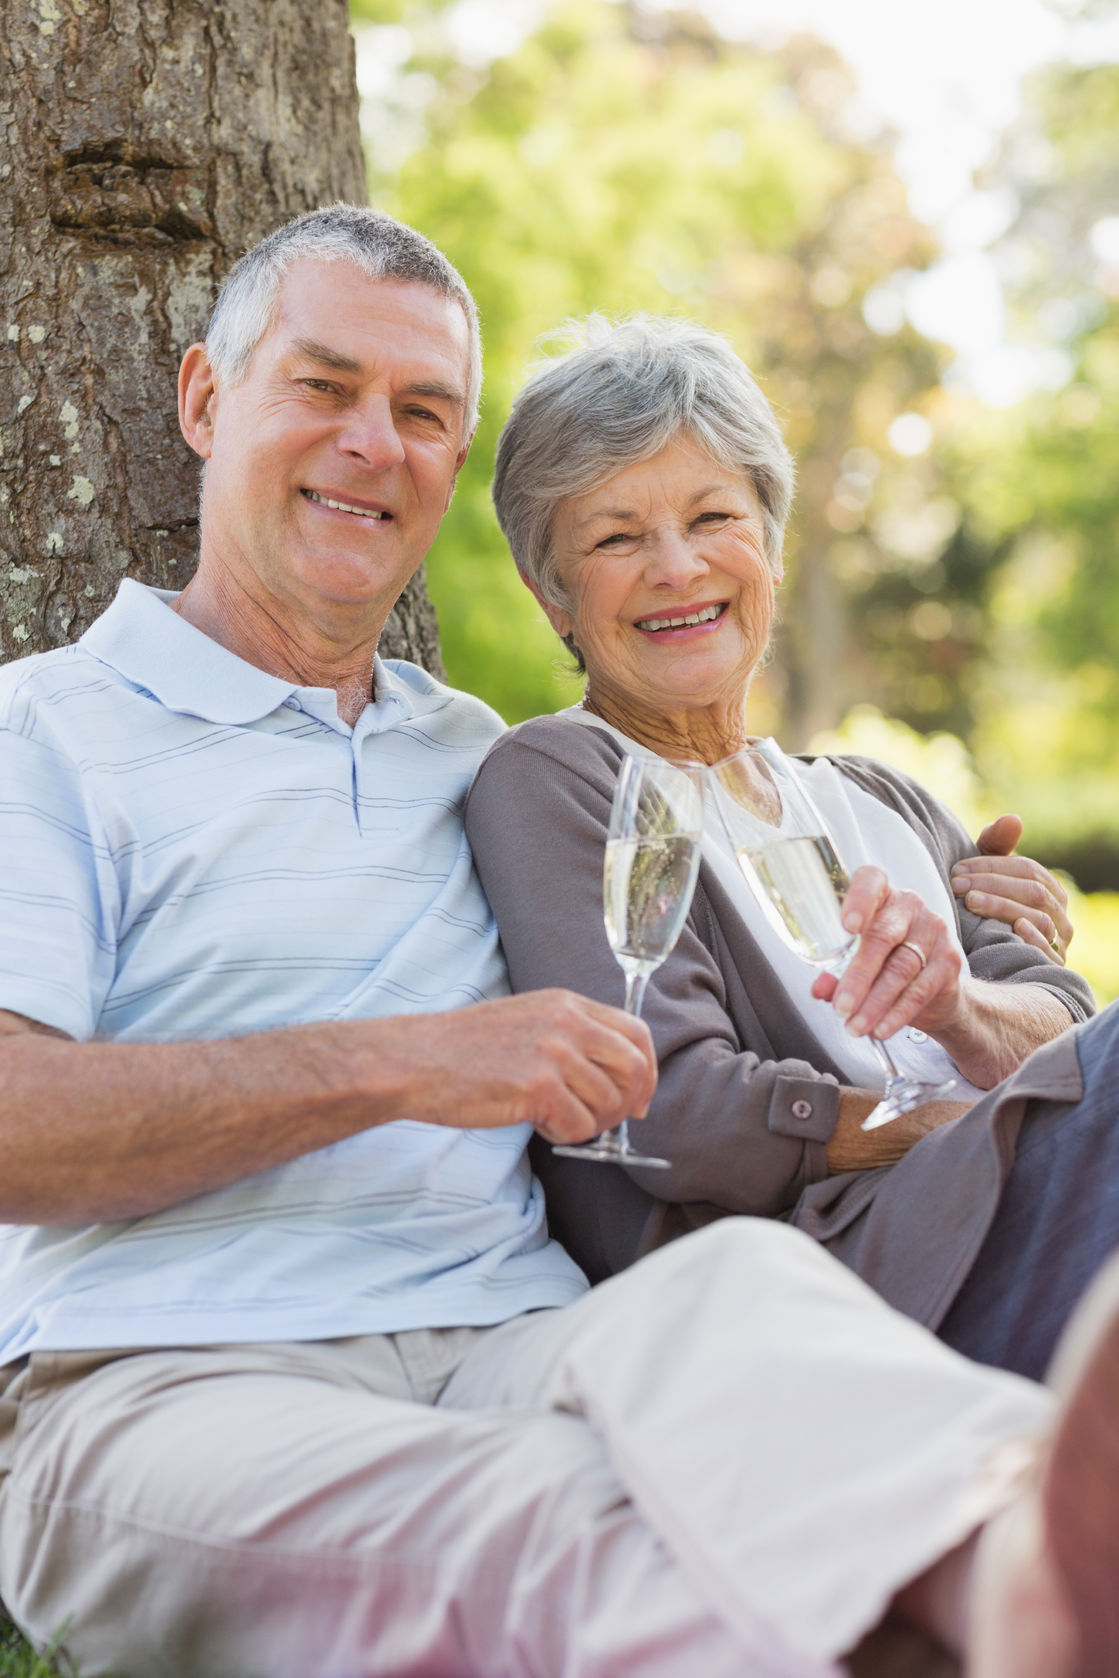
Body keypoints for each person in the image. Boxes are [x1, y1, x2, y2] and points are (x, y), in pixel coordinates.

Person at [0, 207, 1116, 1678]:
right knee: (568, 1522)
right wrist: (403, 1064)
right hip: (169, 1373)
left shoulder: (460, 747)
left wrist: (970, 930)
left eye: (421, 415)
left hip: (519, 1337)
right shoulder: (45, 731)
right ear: (208, 399)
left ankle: (1031, 1582)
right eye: (321, 389)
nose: (371, 445)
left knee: (749, 1306)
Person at [465, 313, 1108, 1383]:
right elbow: (667, 1105)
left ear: (768, 543)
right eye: (617, 537)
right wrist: (947, 1125)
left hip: (1002, 1213)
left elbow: (1072, 1034)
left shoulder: (877, 797)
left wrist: (960, 1009)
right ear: (553, 595)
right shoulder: (564, 778)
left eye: (713, 514)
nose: (676, 566)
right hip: (829, 1272)